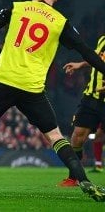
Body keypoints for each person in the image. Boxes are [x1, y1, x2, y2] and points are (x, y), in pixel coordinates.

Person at [0, 0, 105, 202]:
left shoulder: (17, 8)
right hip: (32, 88)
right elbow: (87, 52)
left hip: (4, 81)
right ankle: (85, 181)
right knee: (56, 136)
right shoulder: (60, 22)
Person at [58, 35, 105, 186]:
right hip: (91, 97)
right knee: (77, 136)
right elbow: (97, 58)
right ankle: (74, 177)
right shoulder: (103, 39)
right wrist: (80, 64)